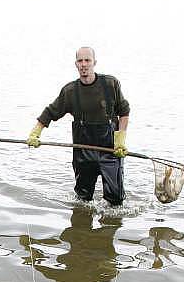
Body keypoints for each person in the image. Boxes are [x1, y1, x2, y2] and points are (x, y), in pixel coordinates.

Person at [27, 46, 129, 206]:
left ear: (94, 62)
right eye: (80, 61)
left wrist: (120, 138)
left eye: (87, 60)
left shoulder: (110, 84)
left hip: (110, 150)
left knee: (115, 201)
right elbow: (50, 113)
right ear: (76, 64)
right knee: (83, 201)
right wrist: (36, 132)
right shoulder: (70, 91)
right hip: (83, 151)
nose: (84, 64)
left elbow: (124, 112)